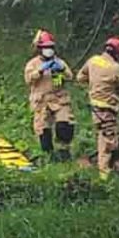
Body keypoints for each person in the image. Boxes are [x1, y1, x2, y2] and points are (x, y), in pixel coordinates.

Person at [77, 37, 119, 180]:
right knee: (107, 142)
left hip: (95, 108)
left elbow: (80, 77)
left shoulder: (93, 60)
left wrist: (94, 84)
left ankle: (114, 164)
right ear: (117, 53)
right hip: (107, 110)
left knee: (117, 136)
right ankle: (104, 175)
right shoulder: (116, 68)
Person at [24, 30, 75, 162]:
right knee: (43, 131)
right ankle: (49, 156)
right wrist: (40, 70)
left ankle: (64, 152)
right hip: (41, 101)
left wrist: (61, 70)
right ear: (40, 49)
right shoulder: (33, 64)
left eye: (51, 47)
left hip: (59, 98)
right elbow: (29, 79)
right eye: (46, 48)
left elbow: (70, 77)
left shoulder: (60, 62)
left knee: (64, 125)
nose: (49, 50)